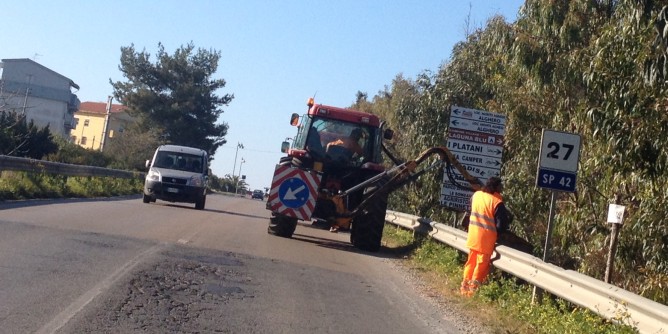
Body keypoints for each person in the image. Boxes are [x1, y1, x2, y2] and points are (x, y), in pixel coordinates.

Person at [461, 176, 512, 296]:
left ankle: (464, 288)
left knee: (471, 262)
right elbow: (502, 225)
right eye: (500, 186)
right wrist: (496, 235)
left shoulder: (476, 196)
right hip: (486, 240)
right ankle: (472, 291)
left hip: (473, 236)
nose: (502, 188)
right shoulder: (497, 202)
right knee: (480, 264)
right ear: (496, 187)